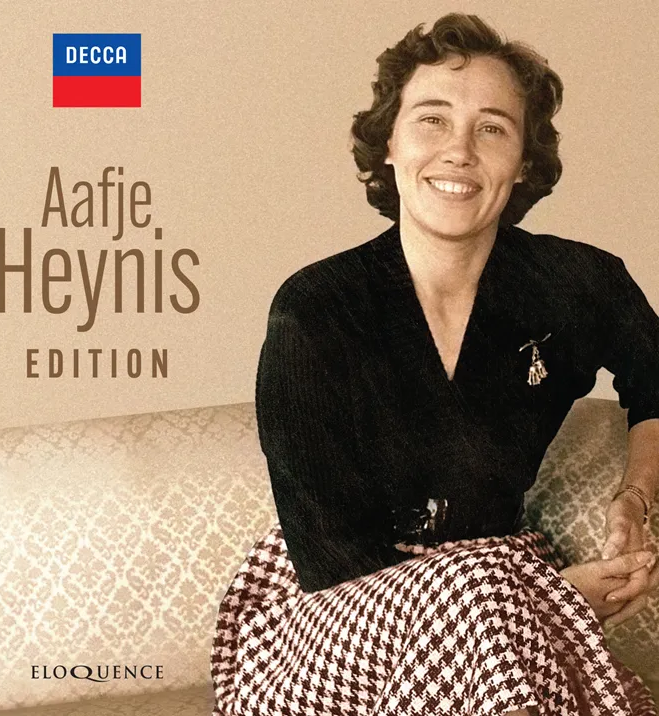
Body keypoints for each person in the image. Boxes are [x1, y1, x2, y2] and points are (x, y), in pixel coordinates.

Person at [211, 13, 659, 716]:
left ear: (524, 161)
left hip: (497, 597)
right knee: (481, 603)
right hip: (328, 620)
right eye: (432, 120)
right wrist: (548, 602)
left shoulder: (575, 284)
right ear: (389, 144)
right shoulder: (316, 307)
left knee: (490, 611)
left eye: (493, 128)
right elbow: (331, 561)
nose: (459, 151)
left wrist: (634, 498)